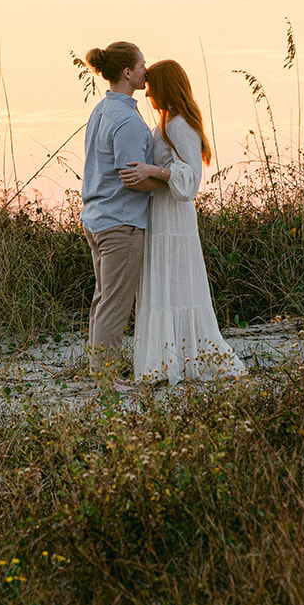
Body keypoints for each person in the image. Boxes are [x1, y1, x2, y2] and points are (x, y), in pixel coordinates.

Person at [118, 59, 247, 384]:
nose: (148, 96)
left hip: (174, 218)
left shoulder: (180, 125)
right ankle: (166, 362)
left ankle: (184, 361)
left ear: (165, 88)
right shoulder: (165, 122)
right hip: (159, 214)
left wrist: (154, 171)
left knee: (176, 285)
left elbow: (191, 177)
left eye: (152, 89)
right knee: (162, 285)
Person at [79, 41, 159, 381]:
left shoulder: (102, 109)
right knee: (114, 305)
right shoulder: (125, 120)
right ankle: (106, 381)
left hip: (98, 218)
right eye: (142, 64)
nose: (146, 69)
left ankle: (100, 373)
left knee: (104, 300)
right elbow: (131, 179)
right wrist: (168, 182)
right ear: (127, 73)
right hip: (120, 224)